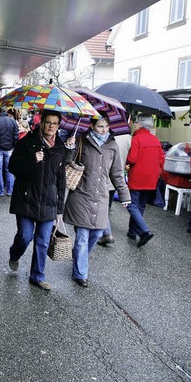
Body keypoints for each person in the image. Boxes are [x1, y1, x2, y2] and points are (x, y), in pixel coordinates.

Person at [63, 115, 131, 287]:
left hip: (101, 196)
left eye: (106, 126)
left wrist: (124, 195)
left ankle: (79, 256)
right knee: (82, 237)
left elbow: (116, 174)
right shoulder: (80, 140)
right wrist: (69, 148)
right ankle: (80, 274)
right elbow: (67, 162)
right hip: (81, 194)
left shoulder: (112, 145)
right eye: (100, 126)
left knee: (97, 234)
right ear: (92, 126)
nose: (104, 130)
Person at [7, 110, 68, 291]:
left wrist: (60, 209)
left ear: (58, 126)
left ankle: (37, 276)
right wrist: (32, 160)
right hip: (27, 197)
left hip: (49, 201)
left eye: (55, 123)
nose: (51, 127)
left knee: (42, 242)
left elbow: (61, 179)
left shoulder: (60, 147)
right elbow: (12, 167)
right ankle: (14, 254)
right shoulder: (27, 142)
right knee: (25, 236)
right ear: (41, 123)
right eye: (48, 122)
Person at [125, 114, 165, 247]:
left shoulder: (136, 139)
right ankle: (132, 232)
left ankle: (144, 230)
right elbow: (161, 160)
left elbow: (132, 159)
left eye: (135, 122)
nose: (134, 124)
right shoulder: (156, 140)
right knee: (140, 205)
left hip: (137, 177)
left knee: (131, 204)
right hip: (151, 178)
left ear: (140, 124)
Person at [98, 133, 132, 245]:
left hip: (103, 178)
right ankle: (105, 231)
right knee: (106, 206)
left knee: (102, 206)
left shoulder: (103, 138)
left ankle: (106, 232)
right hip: (116, 178)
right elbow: (131, 158)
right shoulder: (128, 138)